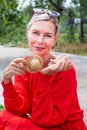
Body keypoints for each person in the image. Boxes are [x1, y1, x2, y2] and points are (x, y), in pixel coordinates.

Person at [0, 8, 86, 130]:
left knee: (17, 125)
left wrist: (44, 77)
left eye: (47, 36)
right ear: (27, 33)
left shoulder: (64, 69)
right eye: (35, 33)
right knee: (4, 116)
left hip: (63, 126)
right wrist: (7, 83)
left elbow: (47, 119)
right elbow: (20, 108)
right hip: (41, 123)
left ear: (55, 39)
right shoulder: (25, 64)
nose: (39, 41)